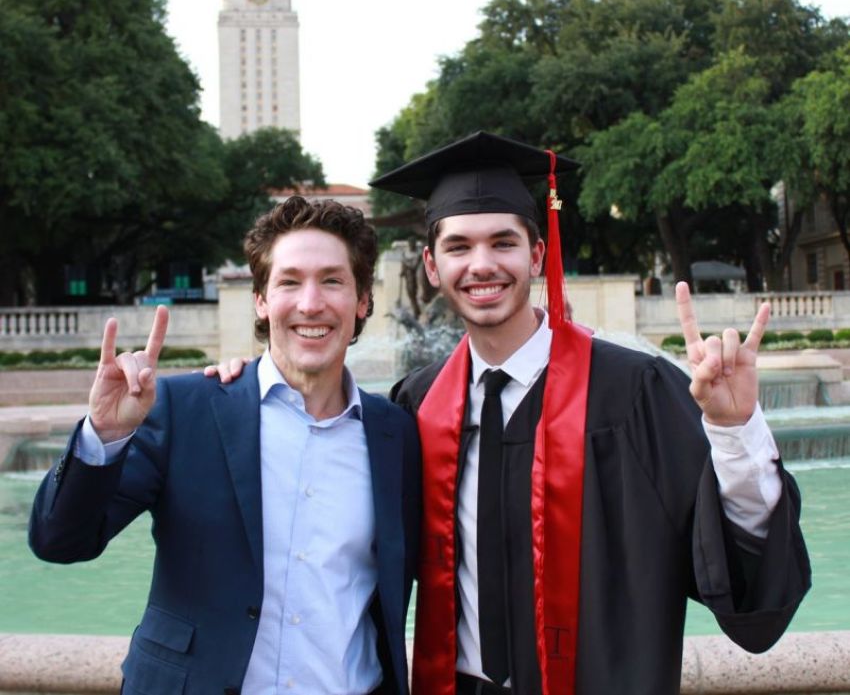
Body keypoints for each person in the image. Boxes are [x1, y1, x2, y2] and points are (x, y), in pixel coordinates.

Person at [368, 131, 810, 695]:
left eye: (503, 243)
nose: (482, 265)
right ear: (432, 266)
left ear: (536, 255)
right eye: (459, 247)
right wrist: (234, 388)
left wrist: (733, 429)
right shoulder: (419, 403)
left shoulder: (633, 392)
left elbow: (735, 559)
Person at [29, 197, 421, 695]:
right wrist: (105, 435)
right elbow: (59, 542)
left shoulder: (396, 435)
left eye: (333, 280)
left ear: (363, 299)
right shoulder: (184, 409)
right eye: (289, 281)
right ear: (261, 299)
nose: (310, 302)